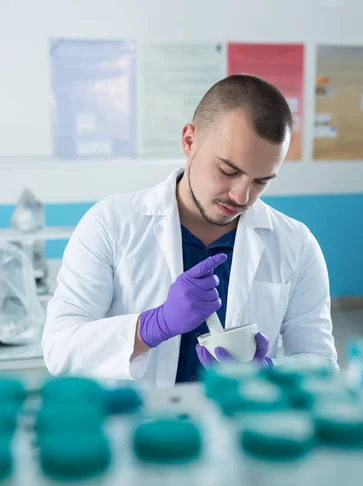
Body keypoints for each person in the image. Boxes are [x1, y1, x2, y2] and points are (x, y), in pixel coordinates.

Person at [42, 74, 338, 388]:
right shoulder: (111, 224)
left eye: (261, 181)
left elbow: (321, 369)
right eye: (228, 170)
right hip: (138, 425)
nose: (241, 196)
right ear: (189, 140)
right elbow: (60, 349)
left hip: (238, 428)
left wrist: (267, 372)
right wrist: (151, 327)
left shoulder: (296, 244)